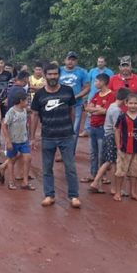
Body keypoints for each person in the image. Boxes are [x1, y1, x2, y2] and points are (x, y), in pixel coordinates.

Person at [30, 63, 81, 208]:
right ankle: (49, 195)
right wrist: (33, 137)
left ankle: (74, 196)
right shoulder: (39, 95)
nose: (53, 76)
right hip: (48, 136)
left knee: (70, 167)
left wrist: (70, 129)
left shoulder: (68, 91)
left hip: (66, 136)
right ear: (45, 75)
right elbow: (34, 115)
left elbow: (71, 111)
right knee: (47, 168)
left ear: (59, 75)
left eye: (55, 74)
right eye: (50, 74)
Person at [88, 87, 130, 194]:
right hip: (112, 137)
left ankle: (113, 187)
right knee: (110, 161)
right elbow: (117, 128)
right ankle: (97, 182)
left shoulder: (112, 106)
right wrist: (119, 143)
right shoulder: (117, 110)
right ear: (125, 100)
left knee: (112, 162)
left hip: (108, 135)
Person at [113, 93, 137, 202]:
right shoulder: (122, 117)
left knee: (135, 172)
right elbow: (117, 130)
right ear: (126, 103)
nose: (133, 105)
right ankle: (118, 192)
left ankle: (133, 192)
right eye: (131, 103)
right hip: (124, 149)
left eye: (135, 103)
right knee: (120, 171)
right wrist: (118, 145)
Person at [0, 90, 34, 190]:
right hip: (13, 141)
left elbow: (30, 112)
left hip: (23, 139)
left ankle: (25, 181)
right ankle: (11, 181)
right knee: (11, 160)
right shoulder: (11, 112)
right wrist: (8, 141)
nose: (27, 102)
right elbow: (4, 125)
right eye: (26, 100)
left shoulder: (24, 110)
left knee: (28, 158)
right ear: (21, 101)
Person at [81, 73, 115, 183]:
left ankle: (102, 176)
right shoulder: (96, 94)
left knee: (102, 153)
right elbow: (88, 108)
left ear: (103, 82)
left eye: (96, 81)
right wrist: (97, 109)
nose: (95, 83)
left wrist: (94, 109)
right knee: (93, 153)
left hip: (103, 128)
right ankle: (93, 174)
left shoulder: (111, 95)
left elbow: (106, 111)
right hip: (93, 126)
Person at [59, 51, 90, 152]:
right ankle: (62, 151)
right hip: (61, 104)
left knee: (75, 129)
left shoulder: (82, 72)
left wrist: (77, 96)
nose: (70, 61)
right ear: (65, 60)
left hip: (77, 104)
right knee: (61, 127)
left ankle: (70, 153)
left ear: (76, 61)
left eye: (73, 60)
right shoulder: (59, 71)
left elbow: (87, 88)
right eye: (69, 59)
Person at [82, 56, 114, 137]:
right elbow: (88, 82)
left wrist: (94, 110)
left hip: (105, 96)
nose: (100, 63)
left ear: (105, 63)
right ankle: (87, 130)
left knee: (102, 113)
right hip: (93, 94)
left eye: (101, 62)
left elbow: (104, 111)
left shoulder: (110, 72)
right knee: (89, 114)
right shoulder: (92, 71)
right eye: (98, 61)